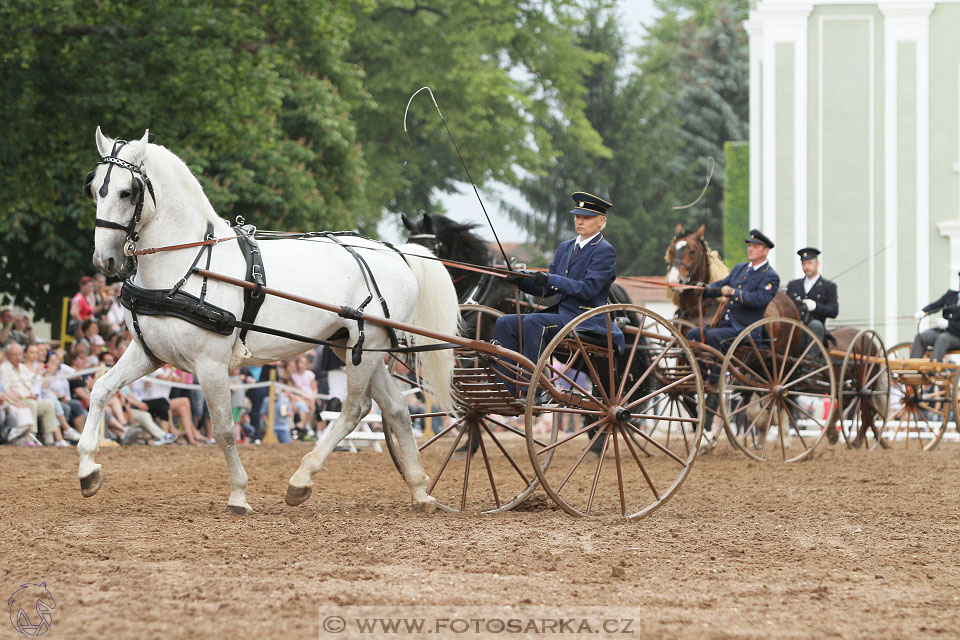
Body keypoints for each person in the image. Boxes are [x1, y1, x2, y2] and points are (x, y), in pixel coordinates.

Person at [493, 191, 622, 395]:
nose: (580, 221)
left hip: (585, 318)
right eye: (577, 216)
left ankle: (531, 391)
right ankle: (507, 389)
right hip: (562, 314)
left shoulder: (604, 250)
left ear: (601, 221)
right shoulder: (565, 248)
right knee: (504, 322)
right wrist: (522, 279)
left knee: (533, 323)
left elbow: (588, 289)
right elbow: (548, 288)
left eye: (586, 218)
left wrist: (552, 279)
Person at [686, 229, 780, 363]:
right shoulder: (740, 268)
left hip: (746, 329)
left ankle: (714, 380)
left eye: (755, 247)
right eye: (749, 246)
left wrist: (734, 293)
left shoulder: (770, 276)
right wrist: (705, 288)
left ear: (766, 251)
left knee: (713, 337)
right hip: (725, 325)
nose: (750, 249)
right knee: (692, 335)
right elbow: (722, 285)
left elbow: (760, 299)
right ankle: (701, 376)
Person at [785, 247, 839, 346]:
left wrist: (815, 306)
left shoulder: (828, 286)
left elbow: (833, 311)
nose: (806, 266)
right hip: (795, 330)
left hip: (817, 332)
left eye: (810, 263)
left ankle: (811, 359)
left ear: (817, 263)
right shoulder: (793, 285)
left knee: (815, 325)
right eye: (804, 263)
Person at [911, 273, 960, 362]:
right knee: (921, 337)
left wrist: (948, 324)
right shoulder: (951, 295)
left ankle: (933, 368)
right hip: (943, 332)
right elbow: (936, 305)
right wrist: (923, 312)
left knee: (943, 338)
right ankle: (913, 366)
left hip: (957, 337)